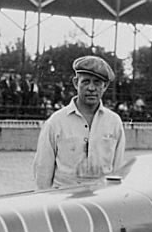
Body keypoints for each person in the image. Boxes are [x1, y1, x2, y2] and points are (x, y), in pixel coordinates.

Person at [33, 56, 125, 190]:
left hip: (101, 199)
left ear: (105, 86)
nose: (91, 88)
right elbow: (43, 171)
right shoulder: (56, 122)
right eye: (86, 82)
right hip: (64, 198)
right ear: (76, 83)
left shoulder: (114, 122)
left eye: (97, 83)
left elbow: (117, 170)